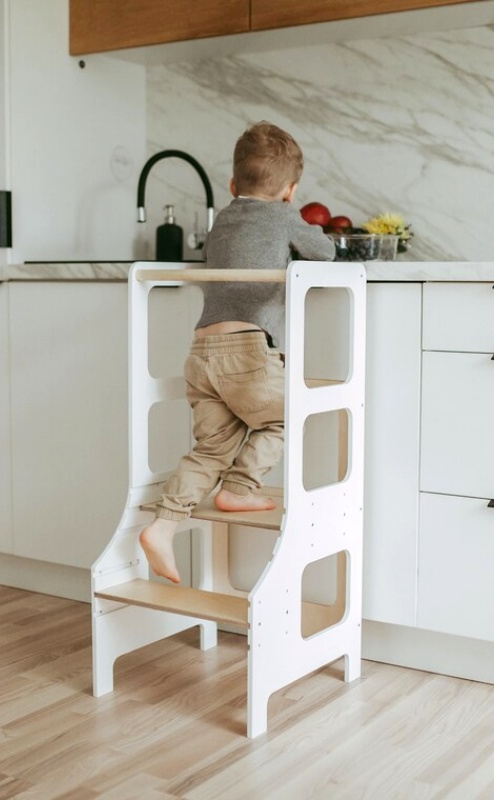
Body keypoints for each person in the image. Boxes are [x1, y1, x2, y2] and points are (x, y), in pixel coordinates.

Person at [139, 121, 336, 584]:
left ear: (232, 185)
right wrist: (301, 224)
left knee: (211, 448)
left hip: (203, 349)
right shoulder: (285, 215)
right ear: (291, 191)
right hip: (247, 351)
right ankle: (241, 487)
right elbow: (324, 253)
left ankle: (164, 526)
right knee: (287, 415)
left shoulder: (223, 217)